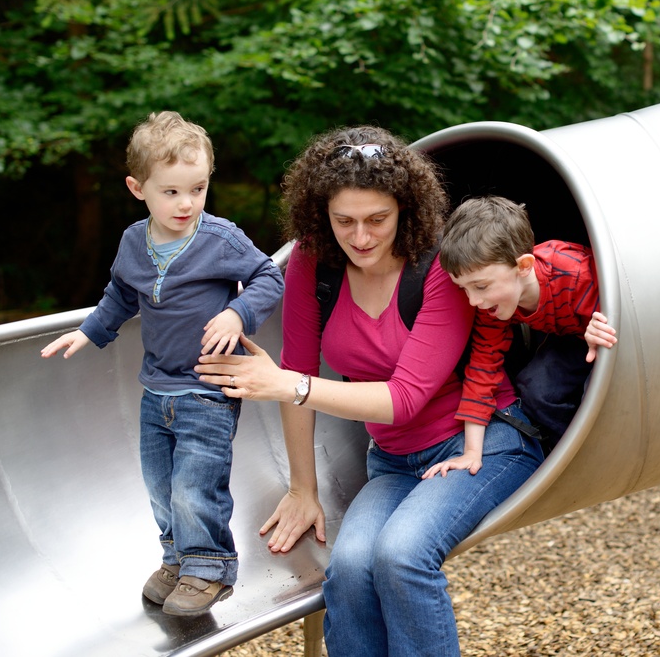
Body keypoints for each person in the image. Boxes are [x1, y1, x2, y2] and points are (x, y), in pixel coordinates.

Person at [193, 125, 544, 656]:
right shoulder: (314, 260)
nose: (360, 237)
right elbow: (296, 364)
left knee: (401, 556)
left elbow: (403, 398)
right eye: (345, 221)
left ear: (405, 208)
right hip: (395, 459)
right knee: (352, 569)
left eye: (377, 219)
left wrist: (291, 385)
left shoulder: (437, 266)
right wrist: (303, 489)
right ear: (322, 216)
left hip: (481, 439)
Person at [40, 111, 284, 616]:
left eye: (198, 189)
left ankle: (209, 566)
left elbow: (268, 276)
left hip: (208, 389)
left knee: (195, 483)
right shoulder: (134, 241)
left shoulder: (219, 238)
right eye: (171, 192)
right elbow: (120, 295)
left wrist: (237, 313)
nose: (186, 203)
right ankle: (177, 558)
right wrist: (88, 331)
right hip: (157, 390)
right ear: (138, 188)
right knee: (161, 485)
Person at [425, 195, 617, 478]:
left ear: (524, 266)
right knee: (536, 388)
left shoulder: (574, 272)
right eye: (464, 289)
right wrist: (471, 452)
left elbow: (629, 307)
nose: (473, 301)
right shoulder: (492, 306)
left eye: (480, 286)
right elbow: (483, 367)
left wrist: (600, 326)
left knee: (601, 388)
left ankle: (608, 453)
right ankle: (574, 461)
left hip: (606, 336)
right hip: (570, 336)